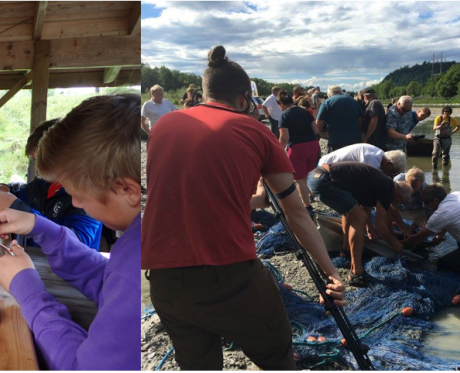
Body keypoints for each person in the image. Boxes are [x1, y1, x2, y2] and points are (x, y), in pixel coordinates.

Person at [143, 45, 345, 370]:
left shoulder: (163, 126)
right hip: (228, 276)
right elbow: (295, 213)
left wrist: (256, 196)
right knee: (277, 354)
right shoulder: (255, 130)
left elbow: (190, 192)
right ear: (242, 98)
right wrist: (331, 273)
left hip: (163, 281)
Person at [0, 94, 140, 370]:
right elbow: (108, 282)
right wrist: (44, 229)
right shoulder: (136, 237)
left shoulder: (139, 259)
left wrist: (28, 291)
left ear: (127, 191)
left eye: (79, 194)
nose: (76, 201)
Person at [0, 119, 104, 250]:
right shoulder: (42, 185)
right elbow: (16, 195)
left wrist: (19, 210)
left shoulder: (87, 192)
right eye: (36, 161)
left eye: (44, 161)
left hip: (70, 269)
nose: (39, 169)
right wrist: (3, 189)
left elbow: (78, 244)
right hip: (33, 261)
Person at [307, 161, 412, 287]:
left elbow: (366, 208)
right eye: (401, 202)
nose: (398, 205)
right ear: (399, 197)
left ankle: (345, 251)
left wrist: (370, 230)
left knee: (350, 213)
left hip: (315, 176)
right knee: (359, 217)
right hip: (324, 181)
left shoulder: (379, 184)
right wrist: (396, 245)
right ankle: (356, 272)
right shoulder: (387, 188)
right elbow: (381, 227)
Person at [278, 95, 320, 211]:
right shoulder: (305, 112)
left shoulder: (284, 115)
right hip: (313, 145)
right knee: (309, 172)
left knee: (299, 179)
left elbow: (284, 138)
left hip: (297, 148)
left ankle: (307, 206)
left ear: (281, 103)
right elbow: (316, 131)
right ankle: (311, 194)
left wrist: (278, 152)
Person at [316, 85, 363, 152]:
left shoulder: (327, 102)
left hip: (336, 140)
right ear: (341, 92)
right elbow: (360, 120)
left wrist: (324, 134)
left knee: (337, 162)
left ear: (329, 94)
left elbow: (318, 124)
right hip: (354, 140)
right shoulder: (353, 101)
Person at [317, 143, 406, 178]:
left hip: (333, 168)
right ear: (388, 164)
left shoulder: (382, 155)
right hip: (324, 170)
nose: (391, 176)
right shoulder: (372, 160)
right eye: (393, 172)